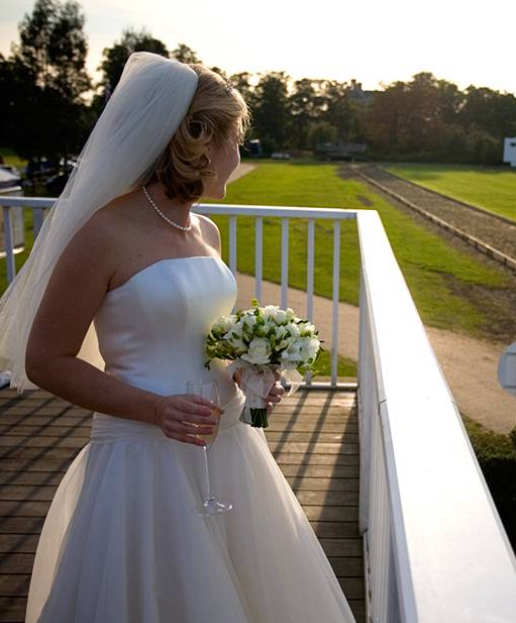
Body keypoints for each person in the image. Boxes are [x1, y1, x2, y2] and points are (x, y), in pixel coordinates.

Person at [0, 52, 357, 623]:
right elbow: (45, 359)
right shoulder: (103, 234)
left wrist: (247, 370)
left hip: (228, 444)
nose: (239, 155)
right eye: (236, 138)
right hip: (144, 457)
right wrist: (156, 408)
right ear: (199, 139)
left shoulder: (205, 229)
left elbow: (197, 335)